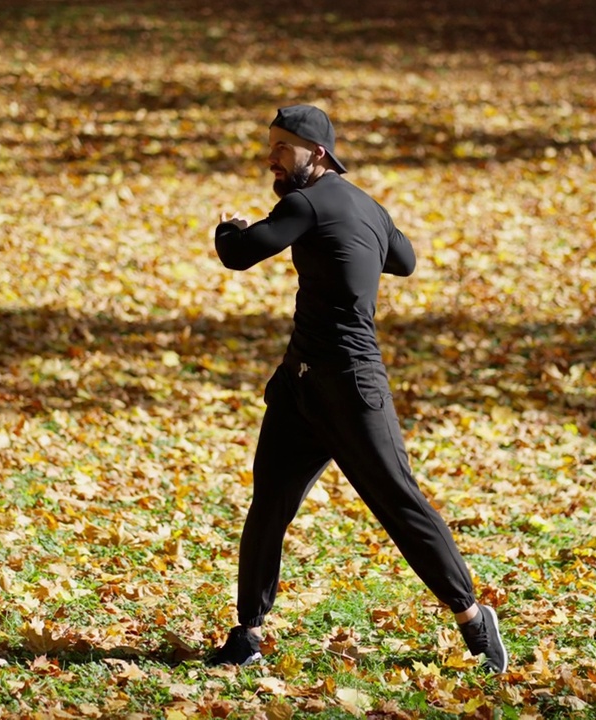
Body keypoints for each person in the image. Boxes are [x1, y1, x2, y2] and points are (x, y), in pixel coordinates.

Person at [206, 104, 507, 673]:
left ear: (316, 154)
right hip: (301, 384)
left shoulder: (304, 202)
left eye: (281, 148)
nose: (270, 158)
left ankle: (474, 619)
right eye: (270, 146)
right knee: (269, 503)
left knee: (397, 500)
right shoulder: (365, 205)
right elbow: (405, 259)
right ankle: (247, 635)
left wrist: (231, 225)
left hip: (351, 386)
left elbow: (238, 254)